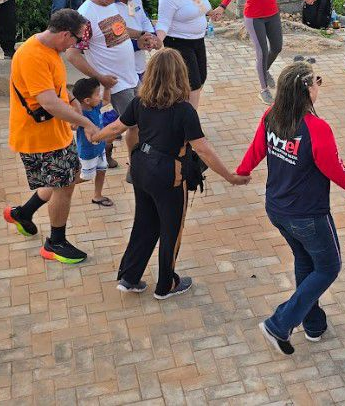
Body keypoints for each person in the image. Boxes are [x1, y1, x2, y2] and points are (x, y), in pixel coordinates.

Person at [91, 48, 248, 297]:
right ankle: (166, 284)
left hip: (140, 166)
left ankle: (129, 277)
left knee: (144, 223)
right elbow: (203, 149)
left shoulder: (140, 102)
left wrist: (94, 136)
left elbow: (116, 127)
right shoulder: (184, 111)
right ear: (180, 76)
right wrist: (229, 176)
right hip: (168, 174)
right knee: (171, 230)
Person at [236, 61, 345, 356]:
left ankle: (313, 323)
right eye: (317, 81)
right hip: (308, 214)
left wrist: (242, 172)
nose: (319, 86)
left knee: (305, 260)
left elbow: (256, 150)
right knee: (329, 267)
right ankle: (280, 323)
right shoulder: (317, 128)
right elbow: (337, 171)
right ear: (306, 89)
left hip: (277, 208)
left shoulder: (272, 116)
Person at [3, 9, 100, 264]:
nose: (75, 45)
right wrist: (85, 122)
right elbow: (47, 102)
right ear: (65, 34)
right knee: (64, 187)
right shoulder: (32, 56)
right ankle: (55, 243)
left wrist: (71, 101)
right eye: (76, 40)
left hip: (53, 133)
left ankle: (23, 213)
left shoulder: (50, 50)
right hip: (40, 137)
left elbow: (54, 89)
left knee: (63, 180)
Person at [67, 0, 154, 169]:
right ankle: (137, 166)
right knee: (136, 124)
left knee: (140, 119)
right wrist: (100, 78)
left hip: (130, 75)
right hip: (115, 82)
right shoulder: (86, 15)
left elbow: (120, 30)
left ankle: (108, 146)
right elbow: (72, 53)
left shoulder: (111, 5)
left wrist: (140, 35)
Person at [211, 0, 307, 104]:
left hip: (272, 15)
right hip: (254, 18)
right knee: (261, 52)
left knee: (276, 47)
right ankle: (263, 90)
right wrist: (222, 6)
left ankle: (264, 70)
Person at [157, 0, 216, 110]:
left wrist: (210, 12)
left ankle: (182, 111)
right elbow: (163, 23)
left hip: (197, 40)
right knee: (193, 84)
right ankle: (191, 123)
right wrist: (158, 40)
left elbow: (199, 2)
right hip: (178, 42)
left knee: (201, 78)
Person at [71, 77, 113, 207]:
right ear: (87, 100)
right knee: (86, 176)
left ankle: (97, 195)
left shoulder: (94, 107)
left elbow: (106, 100)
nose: (100, 96)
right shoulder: (80, 115)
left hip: (99, 149)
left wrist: (107, 87)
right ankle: (64, 184)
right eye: (97, 94)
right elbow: (74, 127)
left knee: (102, 169)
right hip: (88, 152)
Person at [116, 0, 157, 81]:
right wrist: (137, 44)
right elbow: (114, 36)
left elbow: (144, 19)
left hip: (139, 65)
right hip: (122, 70)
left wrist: (151, 36)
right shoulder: (109, 6)